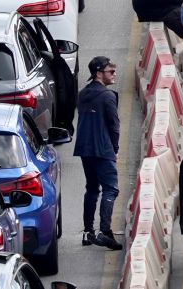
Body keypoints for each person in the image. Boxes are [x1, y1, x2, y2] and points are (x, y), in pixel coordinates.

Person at [74, 56, 122, 251]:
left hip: (85, 149)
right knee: (111, 189)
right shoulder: (108, 96)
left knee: (92, 189)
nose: (114, 74)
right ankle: (105, 231)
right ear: (98, 73)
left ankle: (88, 232)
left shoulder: (82, 94)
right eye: (111, 71)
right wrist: (115, 150)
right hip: (103, 149)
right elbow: (115, 127)